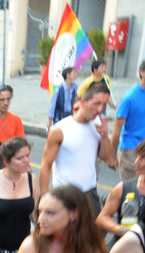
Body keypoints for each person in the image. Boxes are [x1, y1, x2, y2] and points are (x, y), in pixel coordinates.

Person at [39, 83, 114, 214]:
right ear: (83, 102)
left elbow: (106, 157)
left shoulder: (98, 124)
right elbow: (46, 165)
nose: (100, 109)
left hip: (90, 194)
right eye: (97, 103)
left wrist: (104, 135)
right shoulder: (59, 130)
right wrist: (44, 197)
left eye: (104, 105)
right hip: (65, 195)